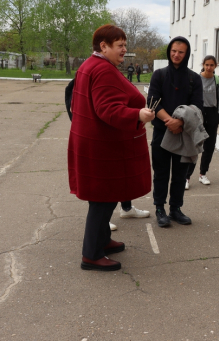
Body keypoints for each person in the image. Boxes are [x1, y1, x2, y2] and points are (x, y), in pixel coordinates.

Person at [68, 24, 155, 271]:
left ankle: (103, 241)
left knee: (106, 196)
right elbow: (108, 110)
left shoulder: (91, 65)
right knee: (102, 200)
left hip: (97, 144)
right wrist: (138, 114)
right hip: (102, 148)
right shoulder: (103, 70)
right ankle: (91, 255)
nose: (124, 49)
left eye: (125, 45)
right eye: (120, 45)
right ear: (103, 46)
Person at [147, 37, 202, 228]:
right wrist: (169, 121)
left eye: (181, 52)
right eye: (173, 51)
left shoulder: (194, 78)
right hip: (162, 132)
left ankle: (176, 209)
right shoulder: (159, 75)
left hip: (183, 133)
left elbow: (197, 105)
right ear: (169, 51)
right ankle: (160, 209)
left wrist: (180, 122)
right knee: (161, 173)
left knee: (180, 174)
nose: (176, 55)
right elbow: (153, 101)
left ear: (186, 54)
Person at [186, 55, 219, 188]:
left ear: (215, 66)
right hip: (198, 113)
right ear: (203, 65)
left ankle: (203, 174)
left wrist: (218, 115)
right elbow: (190, 97)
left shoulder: (217, 80)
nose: (209, 67)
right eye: (207, 65)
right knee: (195, 145)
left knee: (209, 146)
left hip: (212, 114)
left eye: (211, 65)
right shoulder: (196, 79)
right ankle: (187, 177)